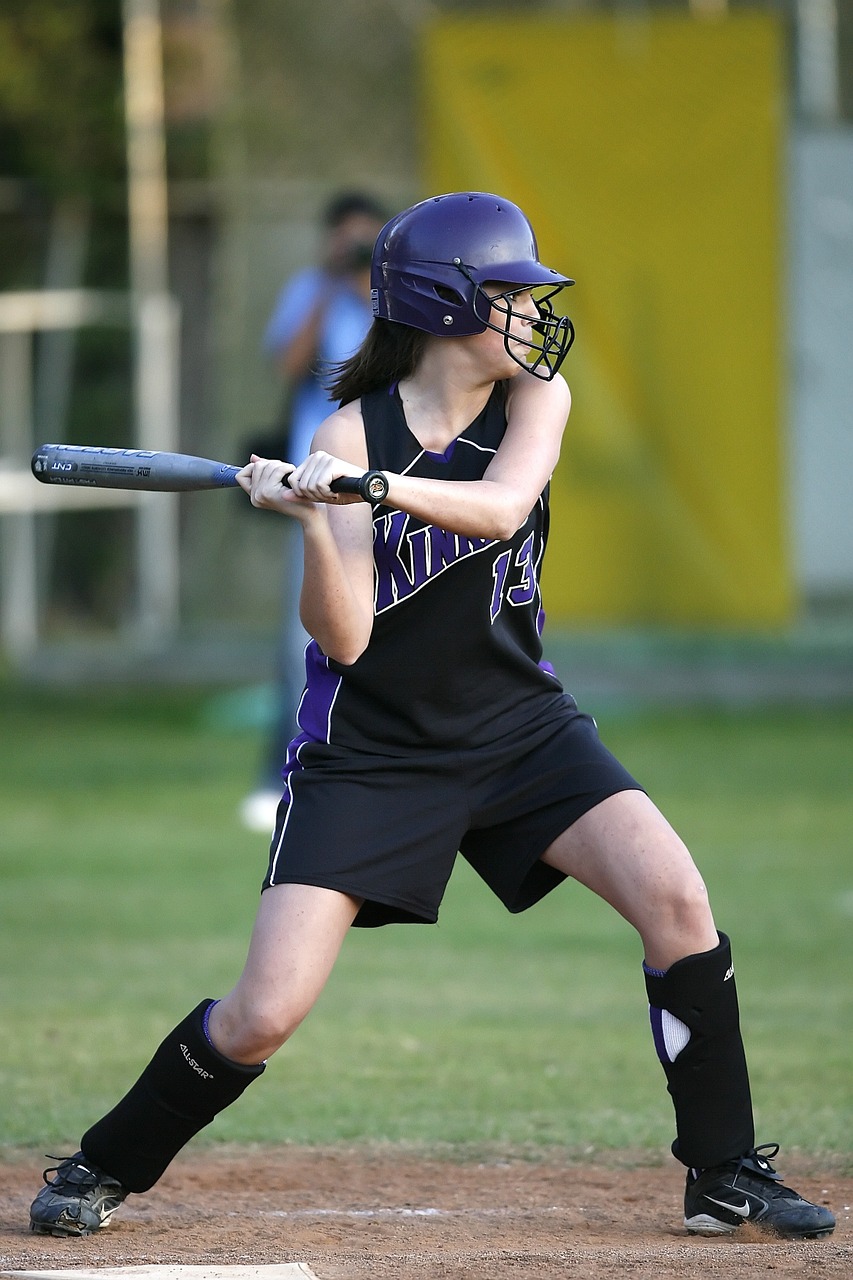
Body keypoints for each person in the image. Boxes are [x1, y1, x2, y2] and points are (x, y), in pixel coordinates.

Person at [30, 191, 835, 1242]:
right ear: (447, 303)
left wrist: (375, 490)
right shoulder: (345, 429)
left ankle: (723, 1170)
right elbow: (349, 638)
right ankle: (101, 1162)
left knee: (678, 902)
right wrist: (318, 521)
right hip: (370, 753)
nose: (530, 312)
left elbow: (501, 507)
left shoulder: (535, 397)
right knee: (264, 1010)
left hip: (520, 727)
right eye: (511, 292)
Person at [240, 190, 387, 834]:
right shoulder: (312, 289)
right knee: (301, 638)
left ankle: (377, 769)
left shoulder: (396, 298)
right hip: (315, 484)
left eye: (368, 240)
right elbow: (289, 363)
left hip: (387, 482)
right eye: (346, 239)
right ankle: (281, 774)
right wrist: (331, 285)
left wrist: (369, 283)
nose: (356, 249)